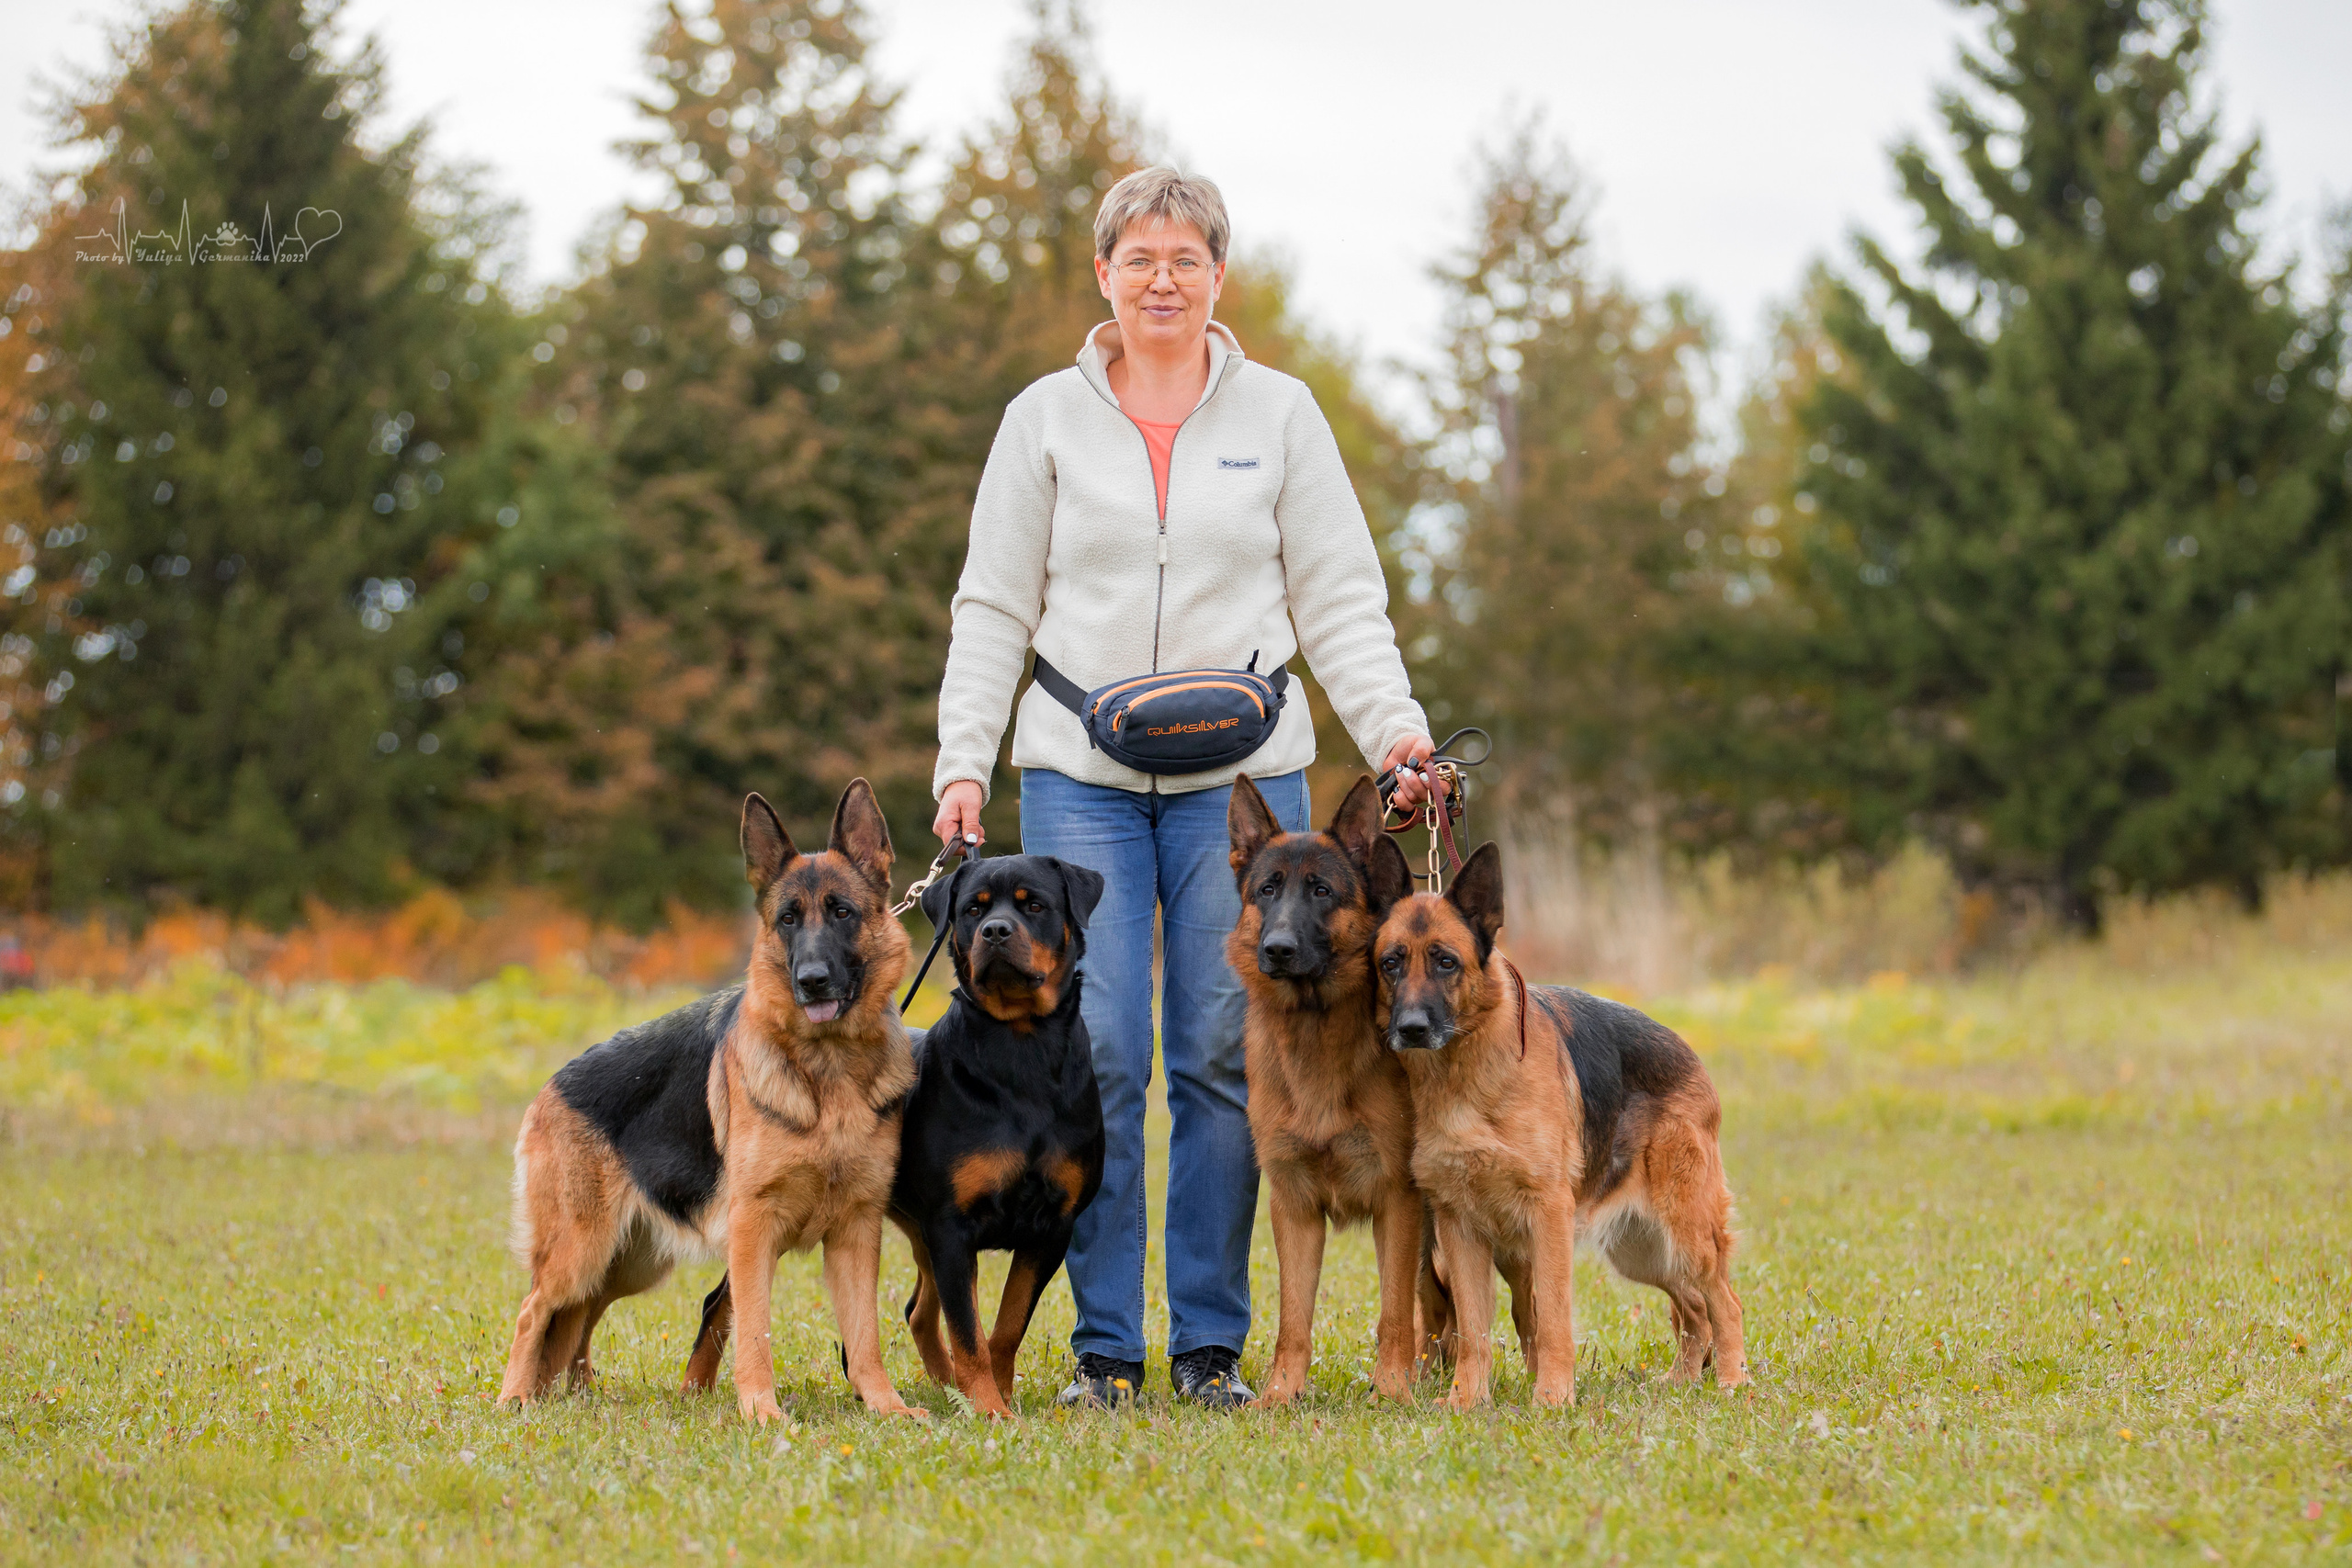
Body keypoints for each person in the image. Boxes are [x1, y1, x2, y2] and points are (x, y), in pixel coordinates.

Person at [930, 166, 1442, 1410]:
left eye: (1187, 256)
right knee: (1096, 1057)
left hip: (1248, 782)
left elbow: (1339, 595)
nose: (1164, 276)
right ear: (1102, 273)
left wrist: (1397, 737)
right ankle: (1104, 1352)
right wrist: (960, 761)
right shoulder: (1042, 417)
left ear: (1220, 274)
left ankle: (1210, 1348)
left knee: (1223, 1056)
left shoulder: (1281, 414)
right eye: (1140, 255)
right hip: (1077, 772)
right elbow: (993, 602)